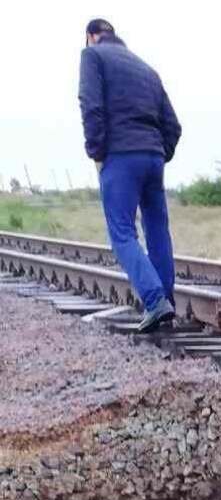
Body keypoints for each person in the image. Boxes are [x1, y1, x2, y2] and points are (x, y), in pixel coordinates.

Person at [78, 18, 182, 333]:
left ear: (91, 36)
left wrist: (97, 150)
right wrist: (160, 152)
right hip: (152, 158)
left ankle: (154, 301)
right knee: (157, 230)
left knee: (121, 232)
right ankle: (166, 300)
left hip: (120, 156)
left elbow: (90, 104)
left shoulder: (92, 56)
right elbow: (173, 125)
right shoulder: (146, 69)